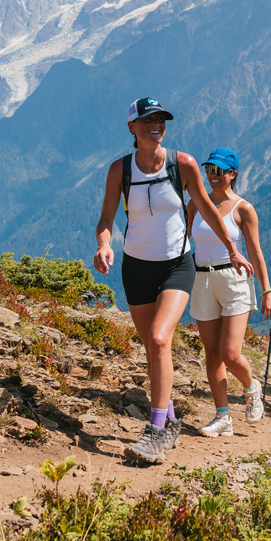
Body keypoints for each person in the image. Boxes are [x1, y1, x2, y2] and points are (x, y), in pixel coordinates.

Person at [94, 98, 252, 465]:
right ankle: (172, 420)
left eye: (161, 119)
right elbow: (106, 219)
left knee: (160, 338)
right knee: (153, 349)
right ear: (132, 127)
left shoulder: (182, 164)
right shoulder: (120, 170)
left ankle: (154, 431)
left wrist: (232, 248)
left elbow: (209, 210)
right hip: (135, 267)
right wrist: (103, 245)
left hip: (177, 265)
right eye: (148, 120)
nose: (157, 125)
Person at [186, 147, 271, 437]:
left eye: (219, 171)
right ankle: (223, 417)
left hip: (234, 279)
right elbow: (183, 241)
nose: (212, 176)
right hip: (202, 279)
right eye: (209, 170)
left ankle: (251, 388)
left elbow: (256, 251)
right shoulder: (196, 204)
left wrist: (266, 290)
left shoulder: (243, 209)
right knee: (212, 355)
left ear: (232, 174)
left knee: (230, 353)